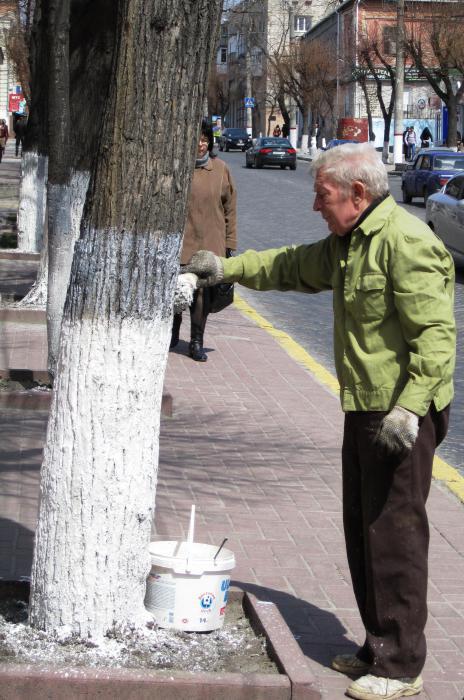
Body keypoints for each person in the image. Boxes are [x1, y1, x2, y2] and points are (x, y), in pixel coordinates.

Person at [185, 143, 456, 700]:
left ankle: (402, 666)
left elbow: (436, 339)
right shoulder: (349, 241)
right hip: (365, 407)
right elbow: (289, 265)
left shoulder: (406, 243)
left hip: (401, 412)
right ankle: (376, 645)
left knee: (395, 539)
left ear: (359, 194)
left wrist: (409, 409)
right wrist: (225, 267)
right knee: (363, 531)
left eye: (322, 195)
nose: (315, 206)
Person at [170, 118, 237, 362]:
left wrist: (230, 245)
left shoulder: (221, 169)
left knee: (202, 295)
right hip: (183, 241)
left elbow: (230, 208)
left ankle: (196, 342)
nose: (200, 144)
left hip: (211, 241)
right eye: (197, 139)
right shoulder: (178, 167)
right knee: (178, 291)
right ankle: (173, 333)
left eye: (205, 140)